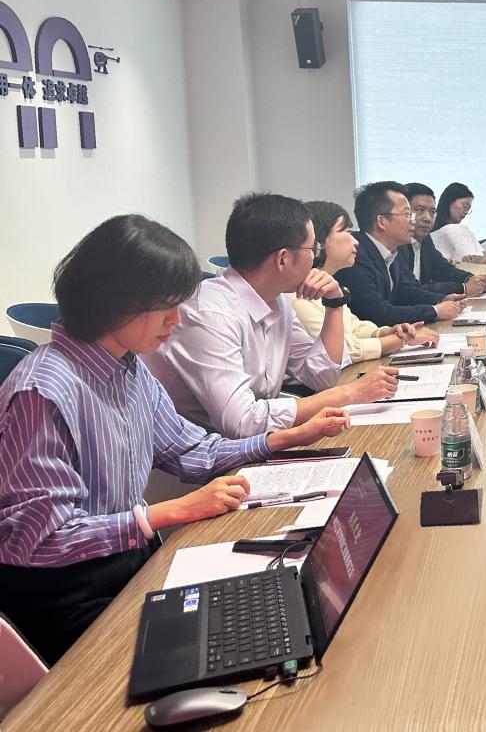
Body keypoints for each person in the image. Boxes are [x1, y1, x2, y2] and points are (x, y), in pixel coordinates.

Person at [0, 216, 351, 664]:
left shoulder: (128, 368)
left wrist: (283, 440)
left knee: (271, 615)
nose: (176, 319)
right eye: (165, 305)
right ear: (115, 301)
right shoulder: (43, 391)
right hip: (66, 593)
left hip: (130, 562)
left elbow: (191, 451)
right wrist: (170, 512)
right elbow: (38, 540)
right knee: (233, 648)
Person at [146, 194, 399, 439]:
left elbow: (321, 376)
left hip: (254, 444)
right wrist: (348, 394)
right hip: (204, 457)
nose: (316, 257)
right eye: (313, 248)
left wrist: (334, 303)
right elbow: (242, 423)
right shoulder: (210, 313)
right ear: (283, 259)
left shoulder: (278, 299)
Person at [293, 200, 439, 363]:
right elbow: (338, 351)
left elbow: (353, 327)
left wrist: (386, 332)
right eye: (347, 232)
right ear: (317, 242)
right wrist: (400, 340)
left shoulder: (329, 282)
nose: (355, 241)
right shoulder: (298, 296)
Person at [336, 182, 464, 328]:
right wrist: (435, 311)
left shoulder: (390, 251)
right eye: (407, 214)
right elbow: (379, 313)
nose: (413, 221)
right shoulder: (355, 257)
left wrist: (442, 299)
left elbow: (405, 292)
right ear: (381, 222)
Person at [397, 183, 486, 298]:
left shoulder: (425, 239)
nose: (427, 218)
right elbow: (410, 290)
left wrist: (472, 279)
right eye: (420, 210)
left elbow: (443, 269)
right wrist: (464, 288)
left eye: (432, 212)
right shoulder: (396, 244)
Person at [430, 182, 486, 264]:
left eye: (468, 209)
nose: (466, 212)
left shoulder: (459, 231)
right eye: (465, 206)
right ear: (449, 201)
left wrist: (482, 257)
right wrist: (481, 263)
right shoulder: (430, 227)